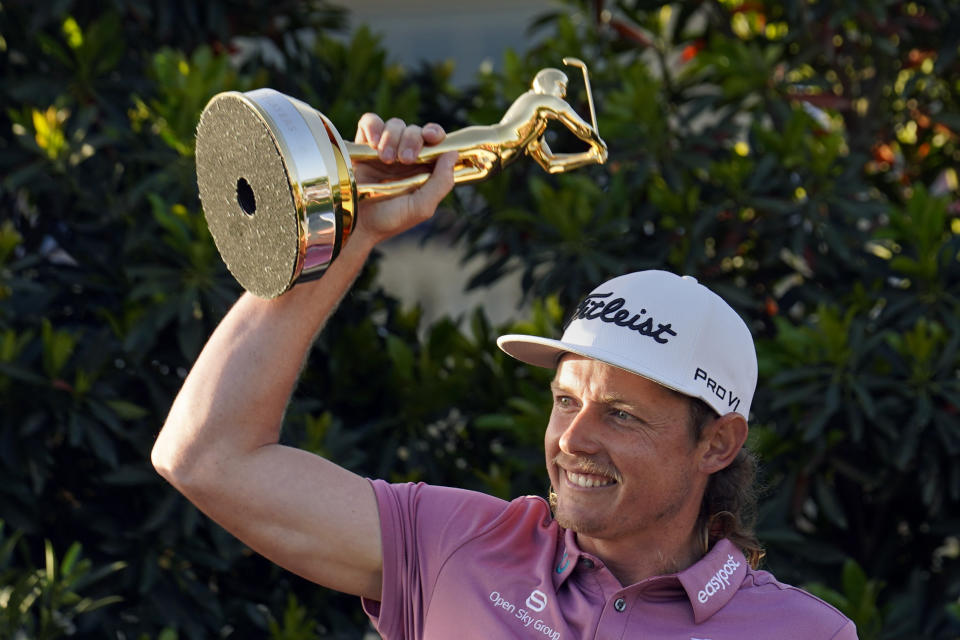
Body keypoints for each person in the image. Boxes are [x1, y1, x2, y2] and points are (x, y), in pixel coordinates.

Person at [152, 115, 857, 639]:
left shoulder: (808, 634)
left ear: (718, 444)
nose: (573, 439)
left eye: (621, 414)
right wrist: (352, 227)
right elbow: (208, 456)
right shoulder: (460, 543)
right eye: (565, 400)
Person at [344, 67, 608, 200]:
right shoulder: (539, 101)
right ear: (548, 84)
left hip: (494, 163)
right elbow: (574, 121)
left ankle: (363, 192)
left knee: (423, 180)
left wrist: (590, 157)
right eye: (561, 86)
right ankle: (346, 150)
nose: (562, 92)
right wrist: (596, 142)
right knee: (425, 154)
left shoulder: (534, 133)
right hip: (488, 140)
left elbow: (551, 164)